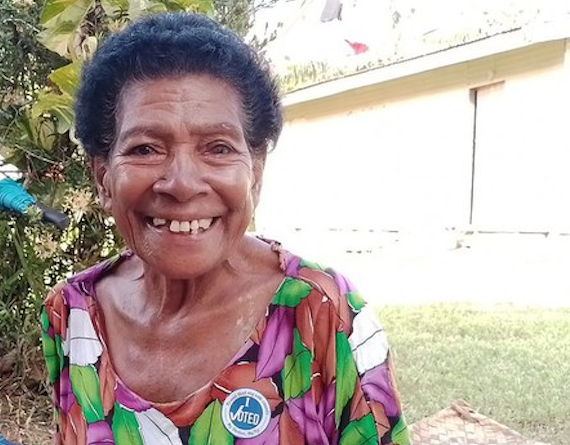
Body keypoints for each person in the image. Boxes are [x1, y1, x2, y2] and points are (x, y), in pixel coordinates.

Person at [40, 12, 409, 445]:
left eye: (217, 148)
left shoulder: (323, 314)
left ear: (255, 172)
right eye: (145, 148)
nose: (182, 183)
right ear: (103, 178)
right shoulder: (73, 315)